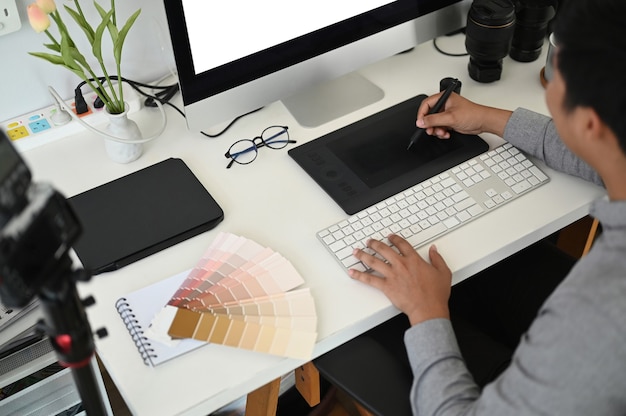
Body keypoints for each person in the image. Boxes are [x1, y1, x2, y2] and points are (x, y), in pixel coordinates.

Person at [347, 0, 626, 414]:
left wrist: (425, 311)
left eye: (556, 77)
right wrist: (486, 118)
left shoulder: (600, 314)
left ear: (589, 122)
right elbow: (600, 153)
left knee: (357, 331)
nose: (547, 86)